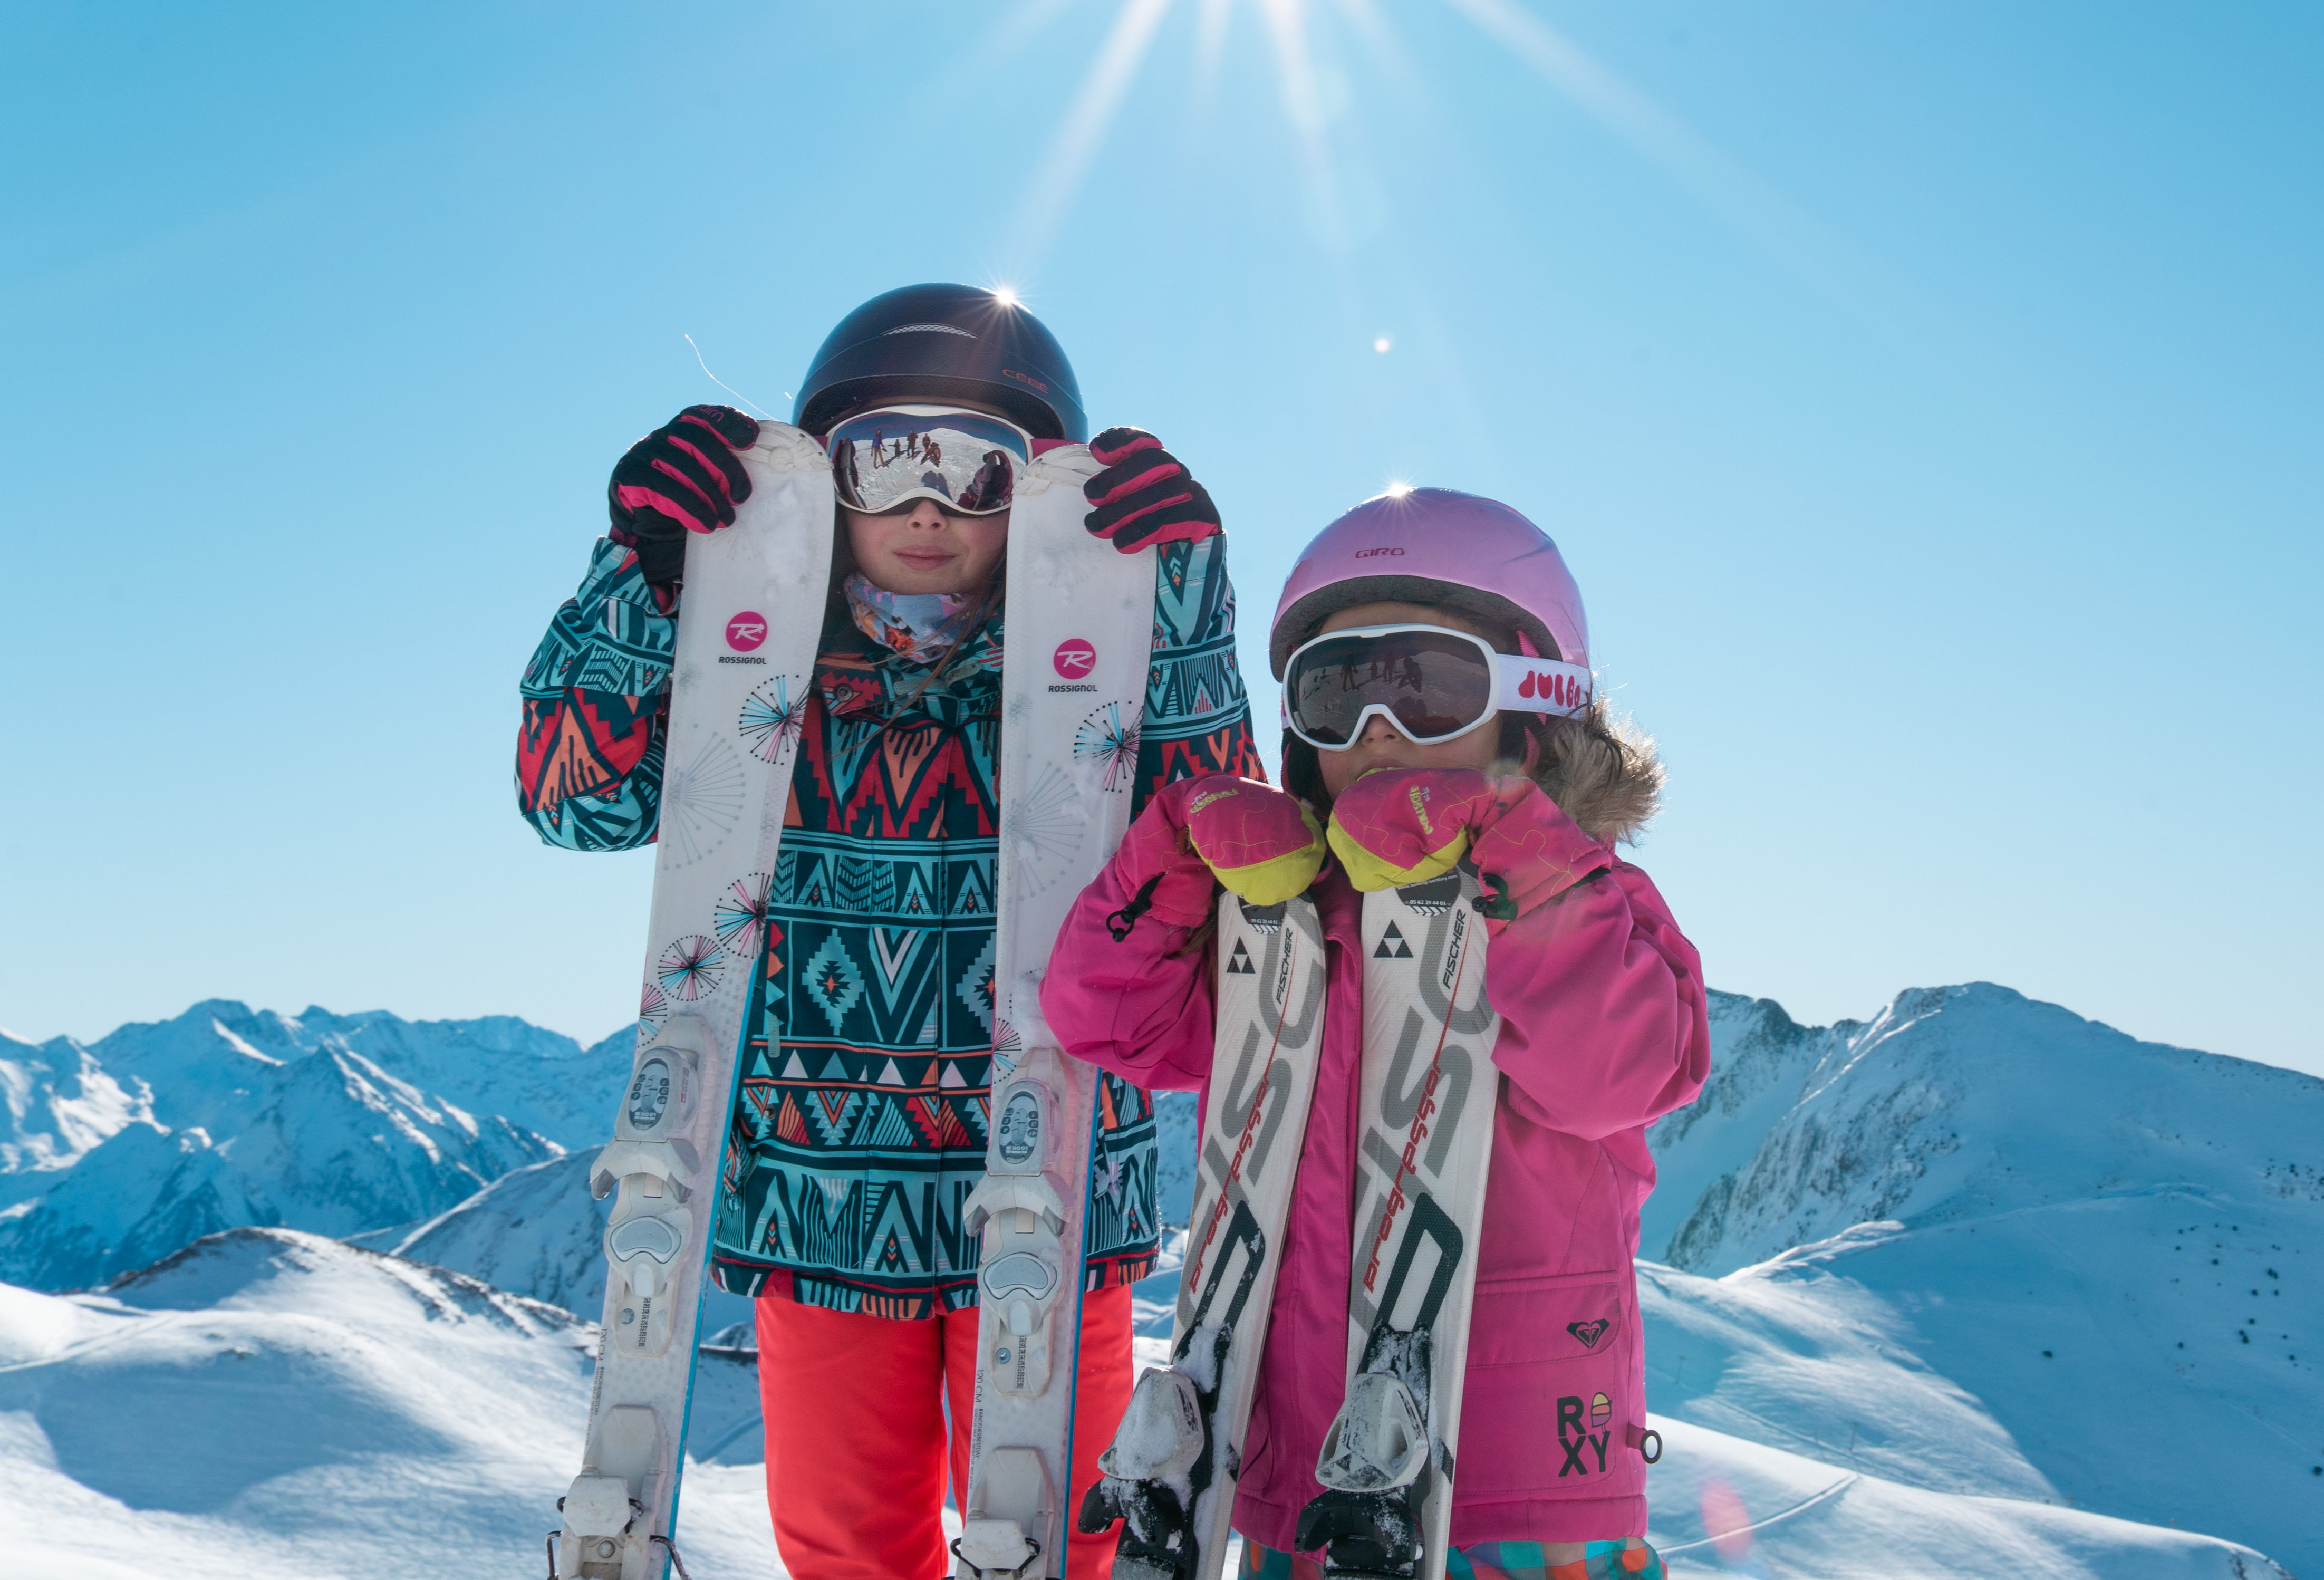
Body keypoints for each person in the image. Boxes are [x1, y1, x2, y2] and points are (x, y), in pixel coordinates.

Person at [516, 283, 1258, 1580]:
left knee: (1065, 1548)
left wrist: (1180, 604)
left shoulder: (1088, 680)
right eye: (885, 459)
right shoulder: (758, 678)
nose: (930, 505)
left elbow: (1220, 846)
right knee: (847, 1554)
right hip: (822, 1201)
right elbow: (572, 796)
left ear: (1036, 495)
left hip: (1056, 1183)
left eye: (980, 468)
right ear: (825, 481)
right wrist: (642, 571)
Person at [1043, 488, 1711, 1578]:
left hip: (1514, 1488)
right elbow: (1104, 1016)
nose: (1380, 726)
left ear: (1537, 706)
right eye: (1338, 691)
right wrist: (1171, 856)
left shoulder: (1582, 897)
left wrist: (1511, 847)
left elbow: (1617, 1071)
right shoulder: (1290, 929)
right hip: (1294, 1484)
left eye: (1429, 684)